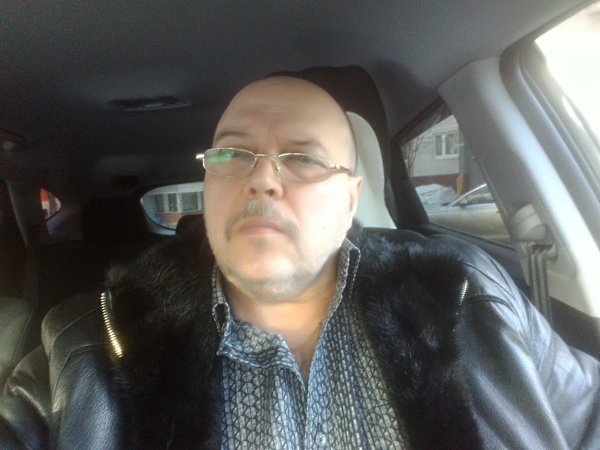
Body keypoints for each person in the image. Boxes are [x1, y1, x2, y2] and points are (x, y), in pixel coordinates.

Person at [1, 76, 599, 450]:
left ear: (350, 200)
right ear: (208, 186)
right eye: (233, 153)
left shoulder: (471, 297)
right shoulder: (82, 347)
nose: (262, 179)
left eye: (304, 159)